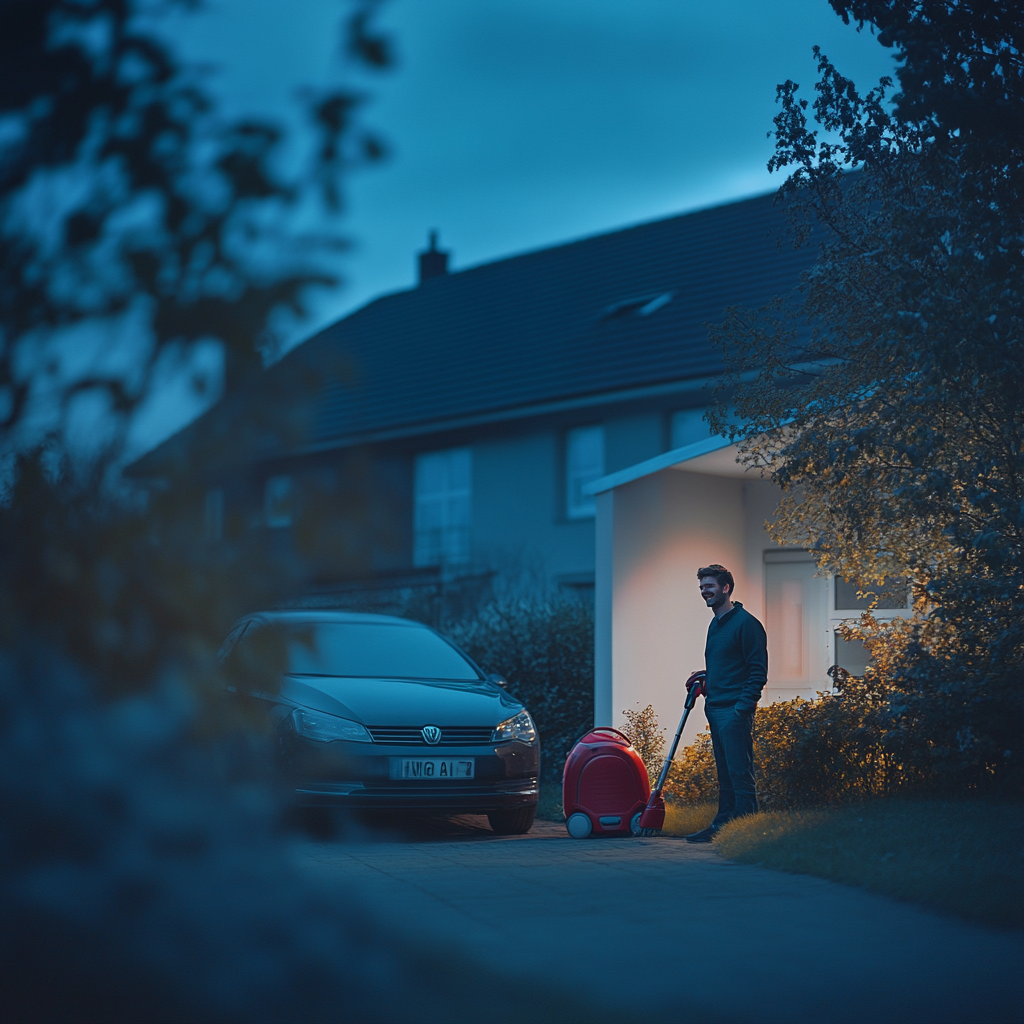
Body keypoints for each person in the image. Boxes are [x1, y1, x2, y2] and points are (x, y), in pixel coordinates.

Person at [684, 564, 768, 843]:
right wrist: (708, 677)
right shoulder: (716, 625)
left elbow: (757, 672)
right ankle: (723, 824)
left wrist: (742, 710)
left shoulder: (747, 624)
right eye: (702, 588)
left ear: (725, 588)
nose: (704, 592)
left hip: (734, 711)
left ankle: (747, 831)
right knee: (725, 775)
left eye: (709, 586)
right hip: (715, 707)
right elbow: (730, 665)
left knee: (740, 774)